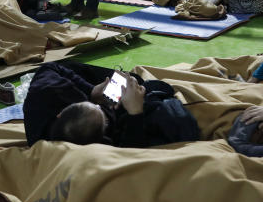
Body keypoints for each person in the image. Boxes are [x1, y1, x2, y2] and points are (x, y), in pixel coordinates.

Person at [23, 62, 200, 147]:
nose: (101, 107)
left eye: (95, 108)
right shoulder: (101, 150)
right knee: (172, 116)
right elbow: (130, 154)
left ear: (61, 113)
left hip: (95, 91)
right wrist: (134, 112)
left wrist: (92, 92)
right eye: (101, 114)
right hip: (124, 117)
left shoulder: (40, 101)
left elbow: (49, 68)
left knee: (133, 80)